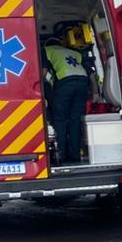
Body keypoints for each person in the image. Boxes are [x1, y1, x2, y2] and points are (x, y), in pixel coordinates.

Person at [44, 35, 91, 164]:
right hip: (82, 82)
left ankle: (61, 156)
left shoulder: (46, 51)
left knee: (60, 120)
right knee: (75, 120)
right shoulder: (74, 52)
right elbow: (89, 72)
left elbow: (43, 72)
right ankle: (75, 156)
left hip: (65, 83)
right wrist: (95, 92)